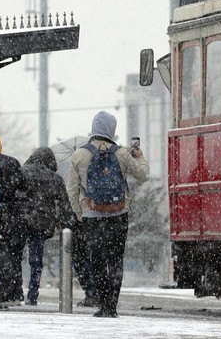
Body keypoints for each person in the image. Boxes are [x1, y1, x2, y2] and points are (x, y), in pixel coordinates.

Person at [67, 111, 149, 317]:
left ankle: (102, 304)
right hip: (118, 213)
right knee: (115, 260)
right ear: (112, 129)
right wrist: (140, 157)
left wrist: (80, 213)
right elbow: (143, 175)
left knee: (96, 260)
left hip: (92, 215)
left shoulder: (79, 155)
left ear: (94, 128)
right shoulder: (121, 153)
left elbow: (72, 190)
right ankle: (112, 305)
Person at [18, 147, 76, 305]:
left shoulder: (22, 173)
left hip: (21, 221)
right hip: (42, 224)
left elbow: (13, 196)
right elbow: (64, 204)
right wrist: (67, 223)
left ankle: (15, 291)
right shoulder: (55, 178)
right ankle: (32, 293)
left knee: (16, 257)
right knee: (36, 261)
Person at [0, 132, 26, 306]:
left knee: (0, 256)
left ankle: (5, 292)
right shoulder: (13, 162)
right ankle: (17, 291)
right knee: (14, 255)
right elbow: (23, 187)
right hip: (14, 215)